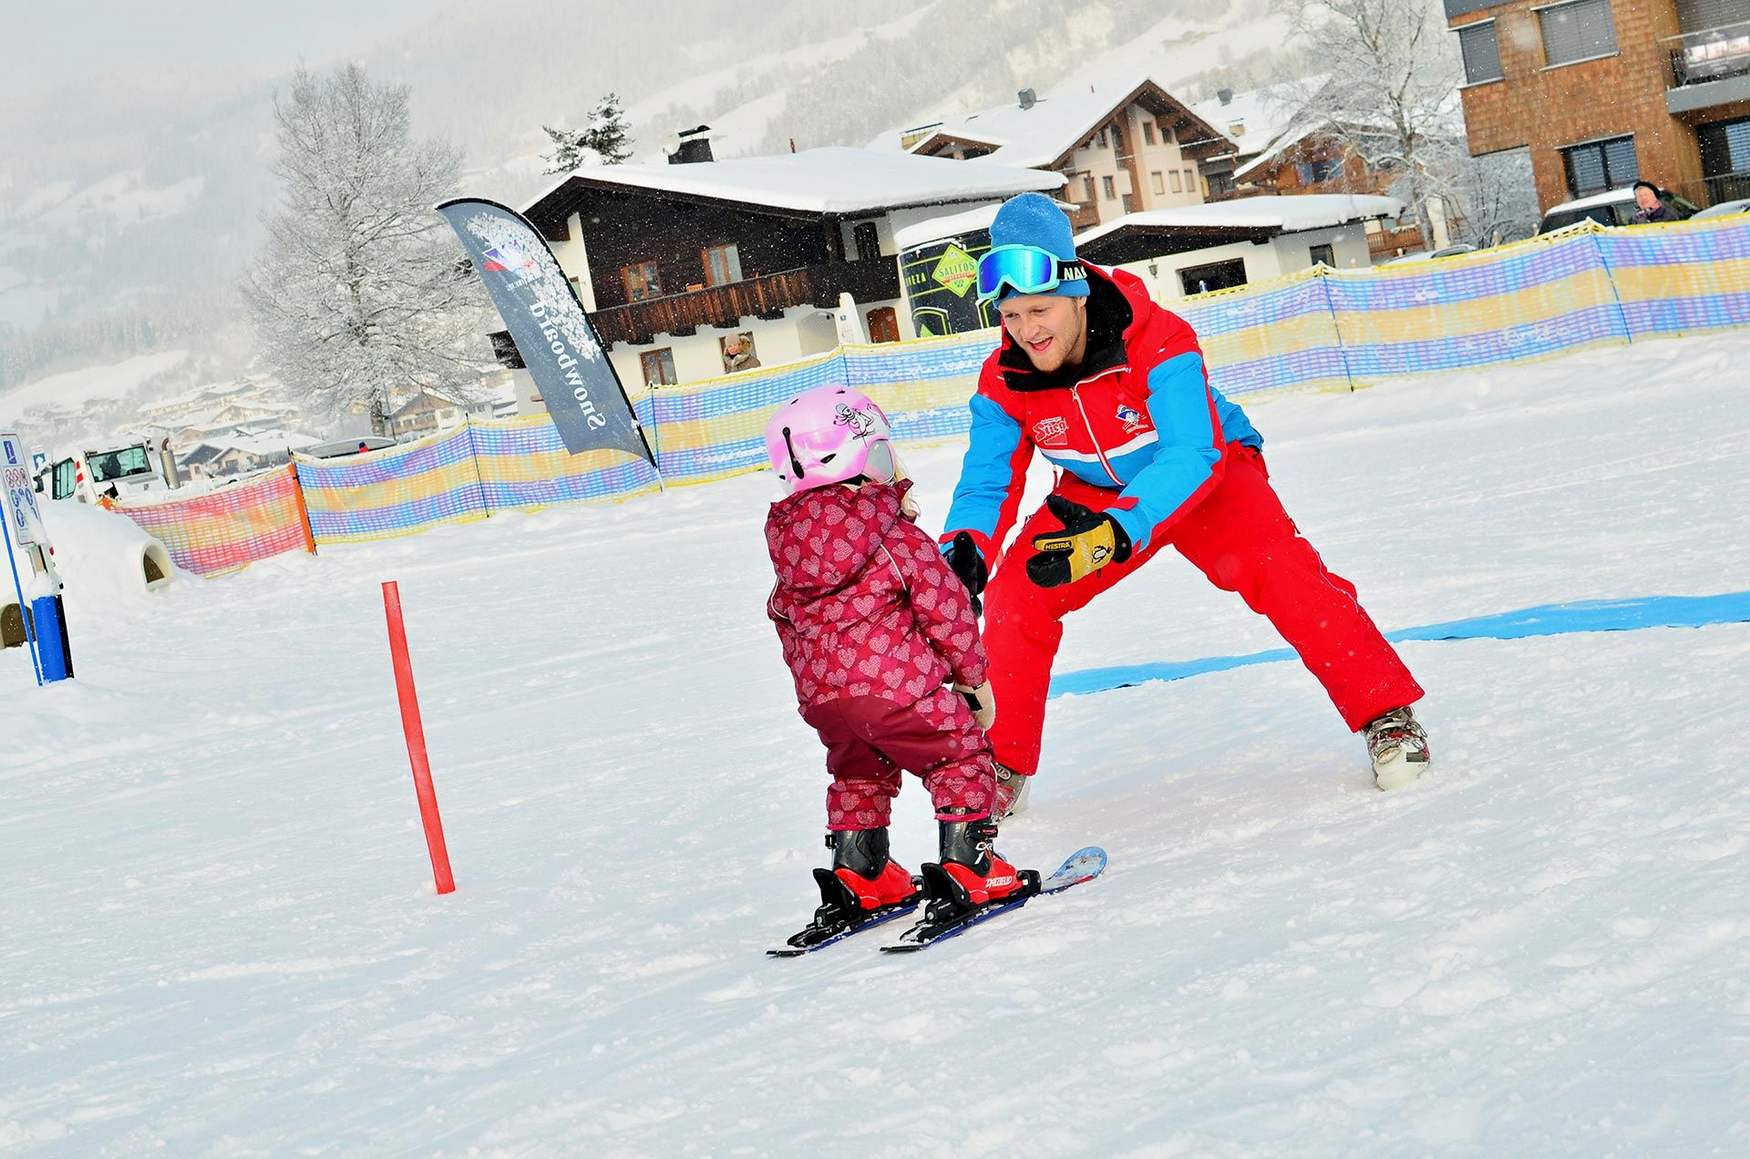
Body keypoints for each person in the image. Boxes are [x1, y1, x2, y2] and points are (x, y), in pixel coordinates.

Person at [937, 192, 1431, 817]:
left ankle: (1386, 712)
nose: (1027, 331)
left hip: (1209, 475)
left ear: (1077, 292)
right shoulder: (1004, 379)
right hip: (1094, 493)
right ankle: (1002, 761)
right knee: (1015, 595)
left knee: (1281, 570)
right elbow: (986, 485)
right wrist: (964, 550)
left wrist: (1123, 527)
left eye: (1040, 310)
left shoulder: (1157, 336)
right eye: (1010, 316)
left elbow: (1192, 451)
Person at [763, 385, 1027, 947]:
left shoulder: (792, 549)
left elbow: (784, 620)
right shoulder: (891, 534)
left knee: (857, 773)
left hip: (828, 702)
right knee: (958, 753)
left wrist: (821, 691)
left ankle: (862, 872)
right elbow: (946, 607)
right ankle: (970, 866)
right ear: (864, 456)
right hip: (901, 690)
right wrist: (973, 679)